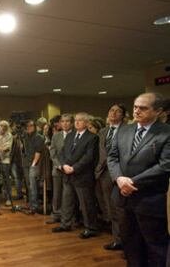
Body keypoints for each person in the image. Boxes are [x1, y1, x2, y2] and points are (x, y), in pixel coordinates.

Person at [108, 92, 170, 266]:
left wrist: (132, 182)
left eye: (143, 108)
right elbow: (112, 157)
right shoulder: (124, 130)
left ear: (158, 111)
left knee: (155, 246)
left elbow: (165, 165)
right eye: (135, 107)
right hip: (123, 196)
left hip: (149, 199)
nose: (136, 111)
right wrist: (119, 178)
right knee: (130, 244)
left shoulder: (166, 133)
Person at [52, 112, 99, 239]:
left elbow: (89, 157)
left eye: (80, 120)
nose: (77, 122)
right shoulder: (70, 135)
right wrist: (63, 166)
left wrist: (74, 168)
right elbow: (62, 153)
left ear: (87, 123)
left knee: (86, 203)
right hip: (67, 173)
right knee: (67, 201)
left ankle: (91, 228)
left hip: (82, 175)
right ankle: (65, 224)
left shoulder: (92, 138)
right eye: (76, 120)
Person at [94, 104, 127, 251]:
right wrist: (97, 170)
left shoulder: (128, 130)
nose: (113, 113)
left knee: (121, 209)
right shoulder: (103, 131)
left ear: (123, 115)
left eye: (117, 111)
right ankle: (117, 240)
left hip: (121, 174)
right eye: (111, 110)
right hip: (103, 173)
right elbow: (101, 153)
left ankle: (126, 240)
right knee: (111, 208)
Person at [47, 114, 74, 224]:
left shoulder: (76, 135)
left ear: (72, 123)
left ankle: (68, 217)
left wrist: (69, 166)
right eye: (63, 121)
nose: (65, 123)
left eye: (67, 121)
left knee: (69, 195)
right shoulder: (56, 136)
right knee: (57, 194)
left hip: (71, 169)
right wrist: (59, 165)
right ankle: (56, 214)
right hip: (58, 169)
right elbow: (53, 153)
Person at [21, 120, 45, 213]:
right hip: (26, 163)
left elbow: (38, 152)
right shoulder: (25, 136)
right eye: (27, 126)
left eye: (31, 126)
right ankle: (31, 203)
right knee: (28, 185)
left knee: (33, 185)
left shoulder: (39, 137)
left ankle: (34, 205)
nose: (28, 128)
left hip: (34, 163)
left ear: (34, 127)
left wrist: (33, 164)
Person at [0, 120, 13, 206]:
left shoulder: (9, 135)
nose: (3, 127)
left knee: (6, 180)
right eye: (1, 126)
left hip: (5, 160)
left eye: (5, 126)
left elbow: (7, 148)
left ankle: (8, 198)